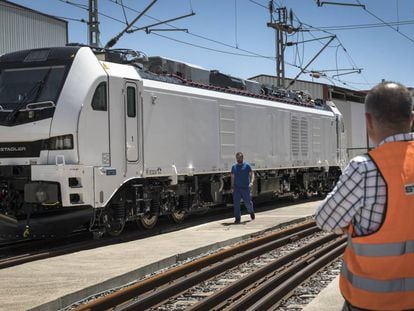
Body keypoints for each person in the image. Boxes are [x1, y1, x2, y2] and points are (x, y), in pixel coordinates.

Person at [316, 81, 414, 311]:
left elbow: (325, 219)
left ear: (368, 121)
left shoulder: (364, 168)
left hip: (371, 302)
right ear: (411, 118)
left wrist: (351, 223)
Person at [231, 152, 255, 224]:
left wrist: (251, 182)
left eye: (240, 157)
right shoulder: (234, 167)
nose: (239, 159)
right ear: (236, 158)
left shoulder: (247, 166)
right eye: (237, 158)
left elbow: (252, 174)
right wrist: (232, 187)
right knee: (236, 204)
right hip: (237, 188)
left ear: (242, 158)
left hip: (245, 188)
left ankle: (251, 211)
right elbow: (232, 177)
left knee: (248, 203)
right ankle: (237, 219)